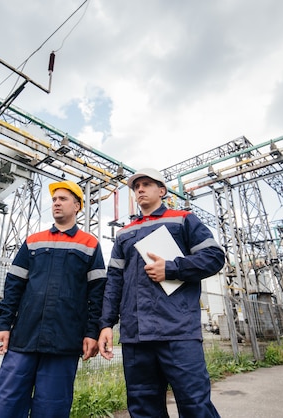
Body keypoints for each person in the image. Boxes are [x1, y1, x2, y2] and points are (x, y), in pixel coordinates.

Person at [98, 168, 225, 418]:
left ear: (162, 191)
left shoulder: (183, 219)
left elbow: (214, 257)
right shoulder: (124, 233)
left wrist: (171, 268)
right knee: (143, 408)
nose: (141, 189)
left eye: (146, 184)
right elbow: (114, 281)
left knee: (194, 405)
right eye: (136, 187)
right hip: (136, 337)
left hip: (177, 331)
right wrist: (105, 324)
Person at [0, 180, 107, 418]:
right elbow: (13, 287)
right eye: (54, 200)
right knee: (5, 404)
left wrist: (92, 332)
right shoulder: (33, 241)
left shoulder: (90, 244)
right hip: (24, 337)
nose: (57, 203)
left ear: (77, 206)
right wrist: (3, 326)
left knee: (52, 408)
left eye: (63, 199)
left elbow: (98, 294)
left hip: (64, 341)